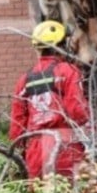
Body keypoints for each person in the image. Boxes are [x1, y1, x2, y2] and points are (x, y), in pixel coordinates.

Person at [9, 20, 90, 179]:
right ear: (60, 45)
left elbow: (16, 128)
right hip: (64, 145)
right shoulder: (68, 71)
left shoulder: (24, 80)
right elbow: (78, 113)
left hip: (35, 148)